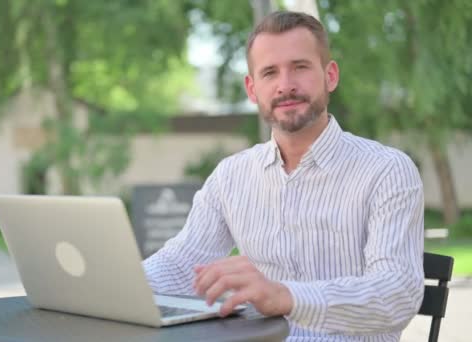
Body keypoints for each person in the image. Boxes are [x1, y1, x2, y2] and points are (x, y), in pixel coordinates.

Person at [143, 10, 424, 341]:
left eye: (300, 67)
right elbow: (181, 264)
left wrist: (284, 296)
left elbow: (396, 293)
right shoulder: (231, 176)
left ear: (330, 75)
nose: (285, 85)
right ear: (252, 89)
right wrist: (112, 282)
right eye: (269, 73)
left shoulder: (387, 171)